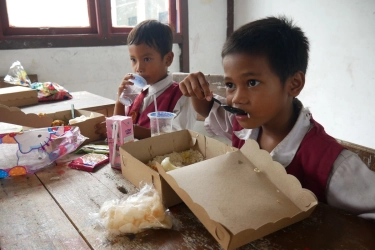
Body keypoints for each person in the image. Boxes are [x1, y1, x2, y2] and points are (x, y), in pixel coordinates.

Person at [179, 16, 375, 219]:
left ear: (294, 84)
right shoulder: (243, 126)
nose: (236, 99)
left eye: (252, 82)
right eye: (230, 85)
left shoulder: (333, 165)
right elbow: (207, 109)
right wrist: (196, 90)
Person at [97, 19, 196, 139]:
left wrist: (131, 130)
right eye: (133, 60)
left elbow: (178, 139)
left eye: (147, 59)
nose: (138, 68)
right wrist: (120, 102)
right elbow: (118, 136)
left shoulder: (181, 96)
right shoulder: (135, 93)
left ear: (168, 59)